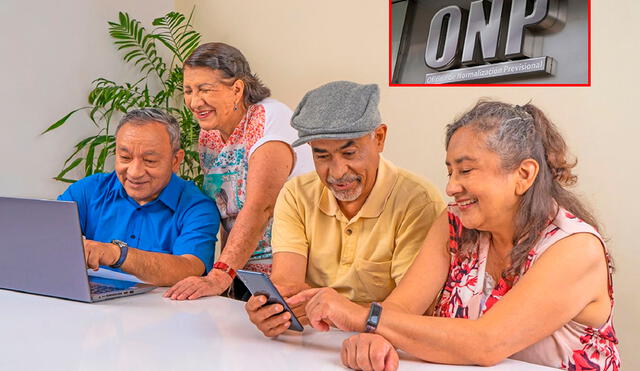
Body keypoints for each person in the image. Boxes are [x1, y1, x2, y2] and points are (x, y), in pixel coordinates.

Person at [289, 101, 621, 370]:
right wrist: (378, 337)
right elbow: (403, 307)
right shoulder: (454, 223)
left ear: (523, 174)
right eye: (450, 171)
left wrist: (366, 318)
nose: (451, 186)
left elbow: (487, 343)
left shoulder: (575, 249)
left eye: (465, 170)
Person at [244, 81, 445, 337]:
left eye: (349, 153)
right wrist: (272, 310)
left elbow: (412, 310)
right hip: (312, 342)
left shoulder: (419, 202)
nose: (337, 173)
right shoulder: (296, 194)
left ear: (380, 138)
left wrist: (339, 311)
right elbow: (287, 285)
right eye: (322, 156)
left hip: (385, 347)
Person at [165, 42, 314, 300]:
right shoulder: (209, 133)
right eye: (188, 90)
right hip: (243, 272)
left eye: (205, 89)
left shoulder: (269, 120)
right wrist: (226, 282)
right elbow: (227, 213)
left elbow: (259, 209)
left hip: (291, 273)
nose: (193, 101)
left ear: (237, 89)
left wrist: (219, 276)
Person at [58, 108, 220, 286]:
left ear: (176, 161)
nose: (135, 173)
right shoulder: (87, 191)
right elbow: (44, 239)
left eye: (150, 161)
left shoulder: (197, 207)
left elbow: (190, 268)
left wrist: (117, 254)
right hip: (87, 308)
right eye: (125, 157)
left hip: (162, 311)